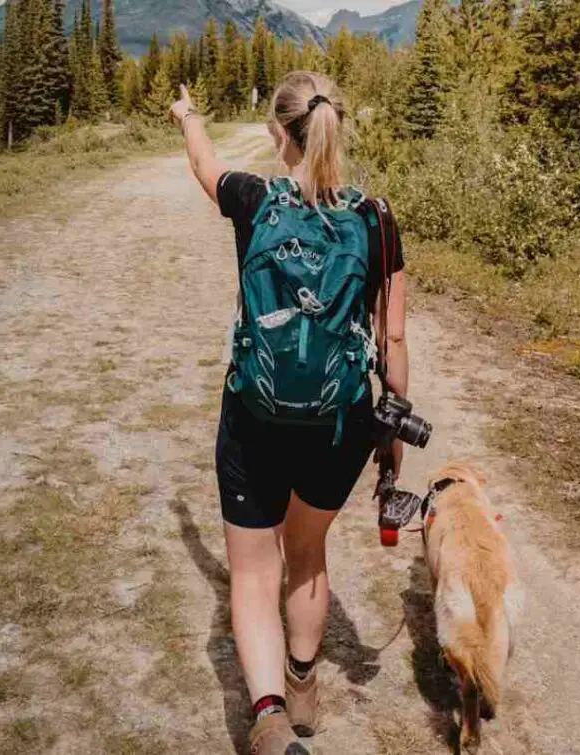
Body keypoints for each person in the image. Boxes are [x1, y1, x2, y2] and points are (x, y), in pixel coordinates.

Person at [170, 71, 409, 755]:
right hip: (340, 426)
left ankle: (270, 716)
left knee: (252, 572)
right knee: (306, 552)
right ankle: (303, 681)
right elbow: (392, 341)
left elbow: (203, 163)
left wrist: (188, 115)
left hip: (255, 415)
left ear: (279, 134)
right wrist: (391, 444)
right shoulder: (376, 218)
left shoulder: (253, 199)